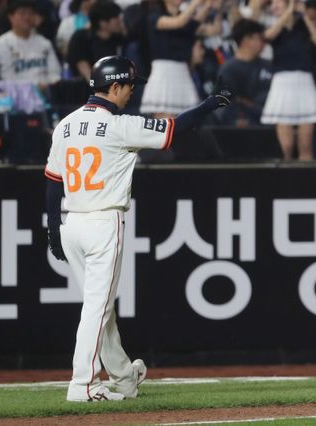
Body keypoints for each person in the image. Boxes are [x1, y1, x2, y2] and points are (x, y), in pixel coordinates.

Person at [44, 55, 232, 401]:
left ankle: (124, 376)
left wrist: (53, 226)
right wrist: (210, 104)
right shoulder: (119, 126)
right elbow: (174, 129)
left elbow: (54, 180)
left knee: (101, 308)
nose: (132, 91)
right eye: (129, 85)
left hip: (72, 222)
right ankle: (83, 385)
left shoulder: (65, 125)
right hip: (103, 223)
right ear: (114, 86)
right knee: (98, 309)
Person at [261, 0, 316, 160]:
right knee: (286, 147)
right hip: (282, 83)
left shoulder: (303, 25)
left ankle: (307, 174)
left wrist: (305, 16)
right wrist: (288, 12)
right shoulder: (273, 25)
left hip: (304, 82)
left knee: (305, 144)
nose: (273, 6)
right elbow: (268, 36)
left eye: (278, 2)